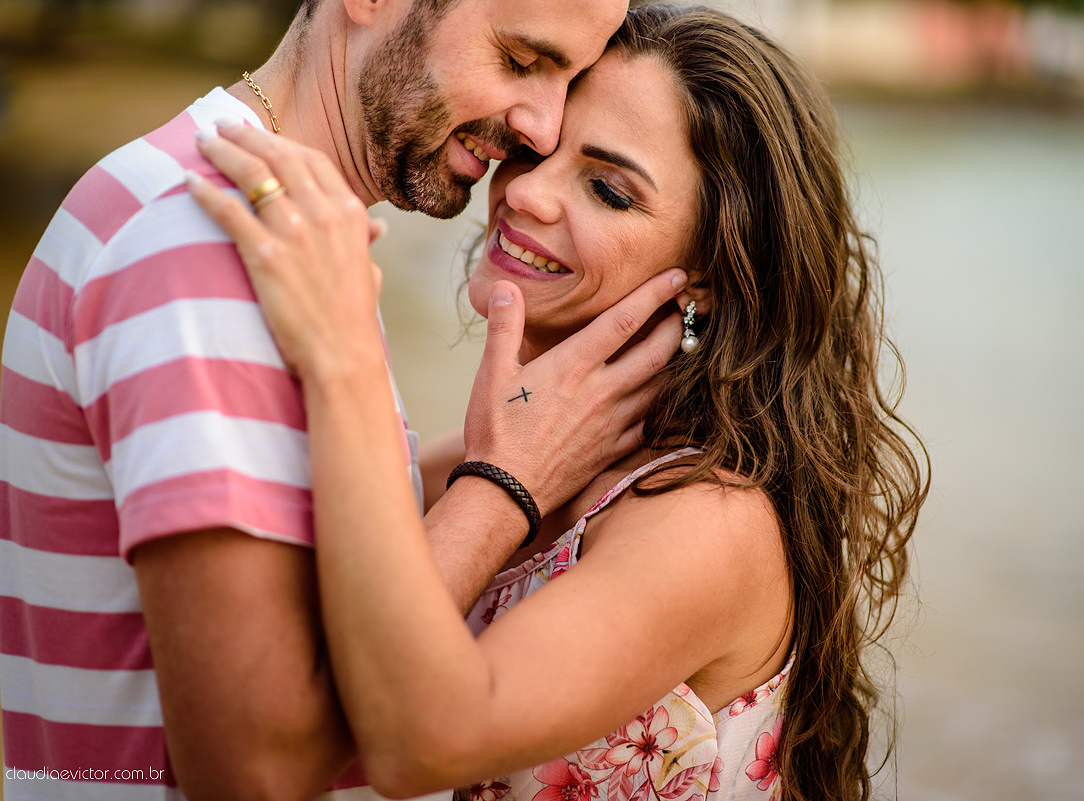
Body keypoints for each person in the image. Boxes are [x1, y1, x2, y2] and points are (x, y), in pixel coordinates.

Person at [186, 4, 931, 800]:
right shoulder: (481, 463)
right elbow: (279, 718)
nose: (526, 193)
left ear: (712, 273)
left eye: (607, 189)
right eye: (533, 152)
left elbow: (415, 742)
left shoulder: (709, 522)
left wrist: (343, 355)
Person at [0, 0, 690, 798]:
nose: (542, 127)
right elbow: (259, 769)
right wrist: (504, 487)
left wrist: (525, 446)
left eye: (567, 78)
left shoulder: (268, 229)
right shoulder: (214, 245)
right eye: (520, 60)